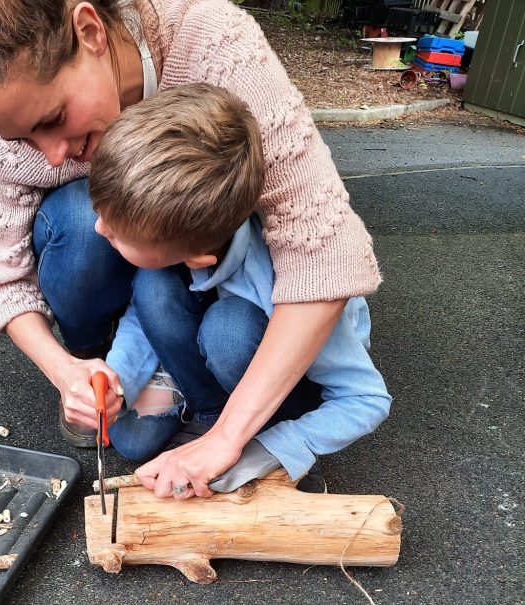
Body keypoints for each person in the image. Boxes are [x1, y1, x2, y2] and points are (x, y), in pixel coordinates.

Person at [0, 0, 382, 488]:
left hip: (234, 301)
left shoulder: (213, 44)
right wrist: (74, 372)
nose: (54, 158)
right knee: (140, 280)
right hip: (174, 263)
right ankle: (179, 386)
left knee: (226, 330)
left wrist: (232, 441)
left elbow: (325, 260)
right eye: (21, 138)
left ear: (90, 31)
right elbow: (4, 273)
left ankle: (246, 410)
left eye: (53, 117)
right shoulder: (162, 248)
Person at [92, 83, 392, 498]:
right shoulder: (186, 235)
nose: (98, 229)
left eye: (116, 232)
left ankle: (261, 429)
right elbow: (144, 315)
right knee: (131, 437)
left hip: (286, 369)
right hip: (221, 332)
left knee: (228, 330)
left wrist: (265, 452)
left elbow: (366, 400)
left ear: (196, 257)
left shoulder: (294, 280)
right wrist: (117, 379)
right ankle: (211, 414)